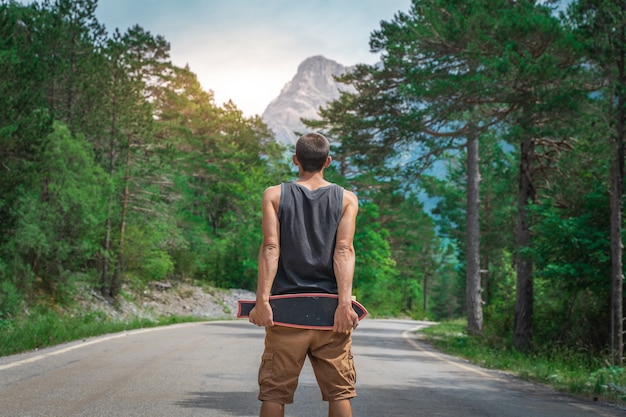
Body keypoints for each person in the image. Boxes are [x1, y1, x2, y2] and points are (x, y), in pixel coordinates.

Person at [248, 132, 360, 417]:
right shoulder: (347, 199)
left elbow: (271, 247)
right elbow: (344, 251)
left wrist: (263, 301)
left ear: (296, 160)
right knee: (339, 394)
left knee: (274, 394)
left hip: (286, 311)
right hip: (330, 315)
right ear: (328, 161)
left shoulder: (274, 195)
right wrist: (344, 305)